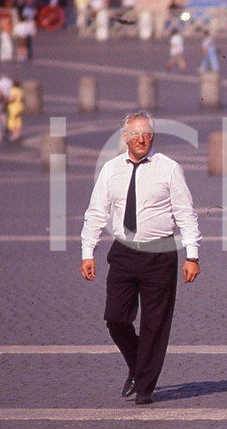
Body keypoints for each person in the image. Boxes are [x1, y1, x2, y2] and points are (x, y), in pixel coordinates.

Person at [80, 111, 203, 405]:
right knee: (115, 318)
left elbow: (185, 213)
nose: (141, 139)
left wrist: (192, 255)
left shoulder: (169, 169)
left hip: (159, 254)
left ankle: (145, 385)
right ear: (125, 138)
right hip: (123, 252)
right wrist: (88, 251)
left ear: (153, 136)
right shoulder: (110, 170)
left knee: (154, 322)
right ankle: (138, 364)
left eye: (146, 133)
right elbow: (97, 212)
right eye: (135, 134)